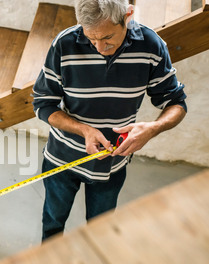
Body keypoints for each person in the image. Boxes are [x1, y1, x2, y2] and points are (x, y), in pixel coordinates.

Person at [33, 0, 187, 240]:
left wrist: (153, 128)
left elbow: (176, 102)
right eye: (91, 39)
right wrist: (83, 130)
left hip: (112, 166)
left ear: (127, 16)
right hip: (62, 159)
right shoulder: (63, 44)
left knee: (100, 232)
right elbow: (43, 103)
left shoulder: (152, 46)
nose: (99, 47)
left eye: (107, 38)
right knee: (52, 222)